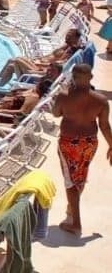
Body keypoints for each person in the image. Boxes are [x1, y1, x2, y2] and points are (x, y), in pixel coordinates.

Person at [52, 63, 112, 235]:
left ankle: (75, 222)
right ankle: (72, 209)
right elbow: (105, 127)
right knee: (79, 176)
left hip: (68, 142)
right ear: (91, 78)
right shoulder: (101, 100)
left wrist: (62, 95)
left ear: (73, 77)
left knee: (69, 180)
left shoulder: (64, 96)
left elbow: (56, 113)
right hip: (89, 143)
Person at [0, 29, 83, 87]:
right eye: (67, 34)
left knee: (17, 60)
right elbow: (50, 56)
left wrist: (38, 64)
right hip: (40, 65)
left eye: (69, 36)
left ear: (75, 38)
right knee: (11, 62)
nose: (66, 37)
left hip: (40, 70)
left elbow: (55, 66)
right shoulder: (66, 46)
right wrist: (39, 59)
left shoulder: (69, 52)